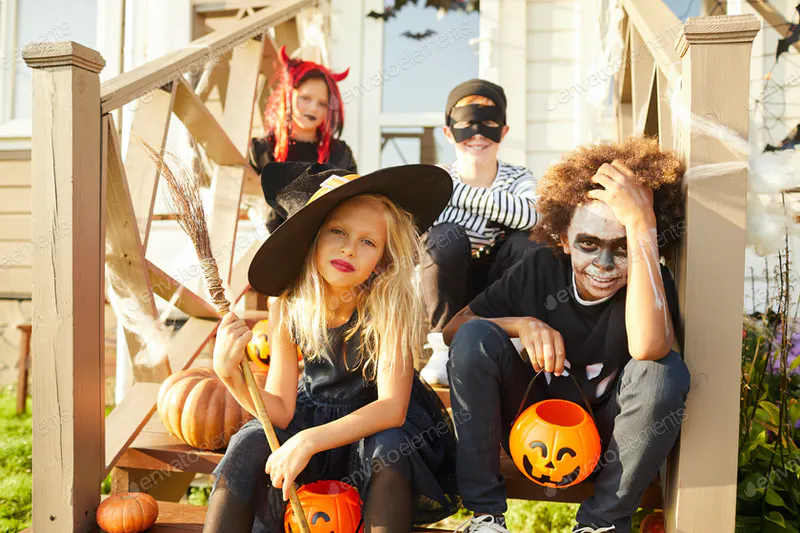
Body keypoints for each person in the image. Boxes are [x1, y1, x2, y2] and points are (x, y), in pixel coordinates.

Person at [445, 137, 691, 533]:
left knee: (664, 371)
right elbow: (455, 331)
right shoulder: (540, 268)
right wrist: (521, 324)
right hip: (531, 425)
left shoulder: (648, 279)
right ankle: (485, 517)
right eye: (588, 245)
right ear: (563, 238)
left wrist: (642, 225)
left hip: (610, 440)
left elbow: (649, 347)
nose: (605, 264)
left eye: (623, 247)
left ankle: (602, 523)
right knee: (477, 338)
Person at [204, 162, 459, 533]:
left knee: (388, 447)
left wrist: (308, 441)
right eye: (337, 231)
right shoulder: (287, 304)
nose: (350, 249)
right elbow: (279, 409)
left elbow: (391, 408)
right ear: (314, 237)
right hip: (313, 416)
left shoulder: (391, 306)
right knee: (251, 439)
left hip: (377, 429)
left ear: (382, 259)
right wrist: (229, 376)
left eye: (368, 241)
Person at [419, 78, 542, 386]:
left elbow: (532, 215)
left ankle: (510, 341)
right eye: (466, 124)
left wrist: (458, 194)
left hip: (497, 286)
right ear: (449, 132)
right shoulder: (437, 178)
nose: (477, 134)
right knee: (445, 237)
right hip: (446, 293)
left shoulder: (519, 177)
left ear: (503, 131)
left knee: (526, 242)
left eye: (488, 123)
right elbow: (425, 233)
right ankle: (442, 349)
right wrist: (499, 211)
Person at [249, 47, 358, 233]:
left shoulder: (339, 153)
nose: (314, 108)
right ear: (288, 96)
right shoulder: (263, 149)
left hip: (325, 246)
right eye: (305, 98)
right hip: (275, 247)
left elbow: (354, 205)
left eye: (322, 103)